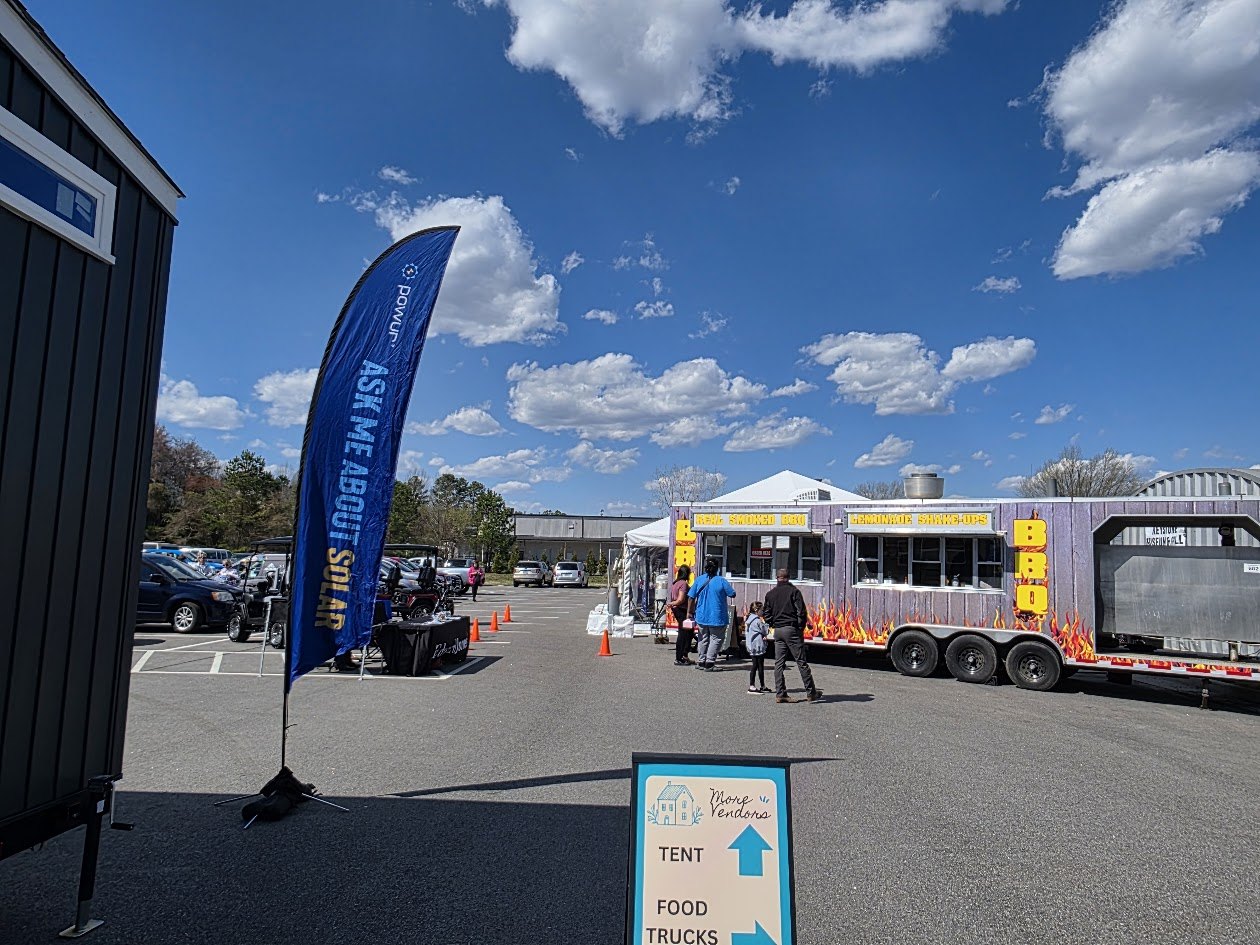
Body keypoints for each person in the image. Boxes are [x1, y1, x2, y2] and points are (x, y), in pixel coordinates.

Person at [763, 568, 822, 703]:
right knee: (801, 661)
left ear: (777, 577)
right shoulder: (794, 592)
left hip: (778, 630)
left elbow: (766, 614)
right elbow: (801, 612)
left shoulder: (770, 594)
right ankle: (811, 692)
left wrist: (772, 623)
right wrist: (800, 628)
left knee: (779, 663)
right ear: (788, 578)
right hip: (791, 629)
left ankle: (780, 693)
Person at [687, 557, 736, 672]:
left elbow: (691, 597)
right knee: (716, 639)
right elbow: (732, 594)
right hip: (717, 615)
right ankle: (710, 662)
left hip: (701, 615)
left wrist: (689, 612)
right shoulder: (721, 580)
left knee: (702, 638)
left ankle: (701, 660)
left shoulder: (699, 580)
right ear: (717, 568)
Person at [669, 564, 693, 666]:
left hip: (676, 609)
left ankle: (684, 655)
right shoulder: (683, 584)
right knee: (683, 634)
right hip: (681, 609)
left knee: (687, 632)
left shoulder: (675, 583)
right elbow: (681, 599)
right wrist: (673, 603)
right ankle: (680, 657)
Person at [744, 601, 770, 693]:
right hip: (758, 646)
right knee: (758, 666)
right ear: (757, 610)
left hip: (751, 646)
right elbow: (765, 631)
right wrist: (766, 624)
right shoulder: (758, 621)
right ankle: (753, 686)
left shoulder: (748, 620)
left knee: (756, 665)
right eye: (762, 610)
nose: (763, 612)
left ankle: (760, 685)